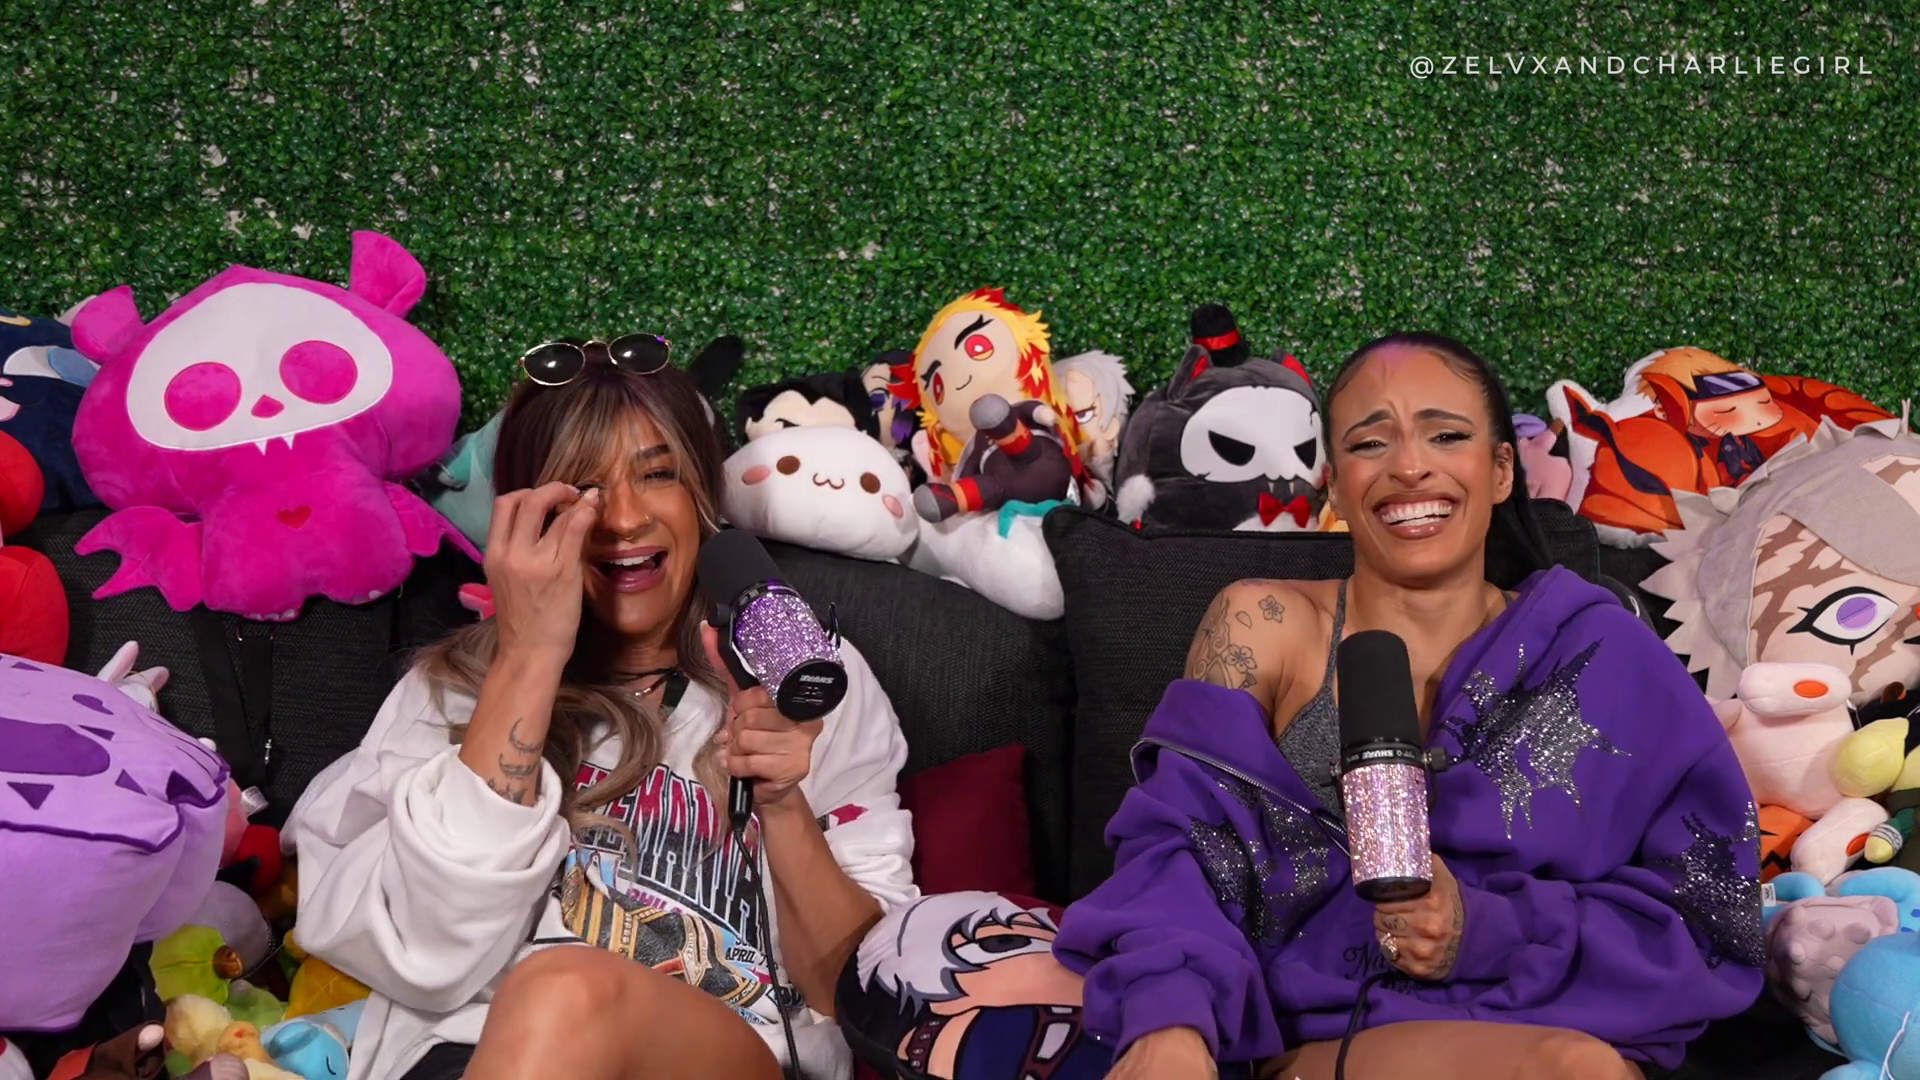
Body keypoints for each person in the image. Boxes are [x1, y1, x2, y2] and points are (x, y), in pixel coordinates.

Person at [1052, 333, 1764, 1080]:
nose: (1409, 466)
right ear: (1333, 485)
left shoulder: (1602, 650)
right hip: (1325, 1033)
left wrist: (1487, 928)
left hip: (1552, 1019)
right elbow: (1179, 849)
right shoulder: (1263, 625)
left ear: (1500, 470)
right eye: (1370, 443)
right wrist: (1169, 1023)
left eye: (1445, 435)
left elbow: (1710, 913)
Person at [286, 335, 917, 1080]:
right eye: (581, 490)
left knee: (566, 990)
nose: (621, 519)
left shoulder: (804, 672)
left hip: (722, 1054)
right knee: (555, 994)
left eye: (656, 474)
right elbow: (421, 954)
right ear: (523, 521)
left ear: (703, 499)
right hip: (470, 1054)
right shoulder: (453, 688)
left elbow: (861, 997)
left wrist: (781, 804)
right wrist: (528, 657)